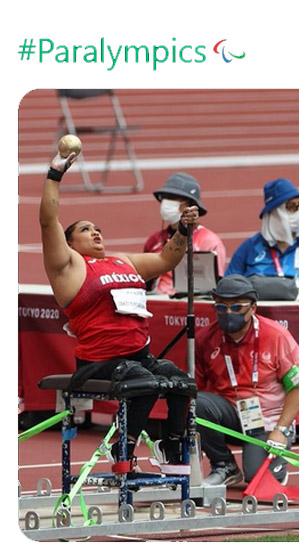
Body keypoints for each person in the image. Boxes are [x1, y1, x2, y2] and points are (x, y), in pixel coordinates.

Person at [39, 147, 198, 472]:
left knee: (180, 380)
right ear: (68, 243)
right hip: (99, 362)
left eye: (97, 228)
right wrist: (55, 173)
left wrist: (182, 230)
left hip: (138, 358)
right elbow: (47, 220)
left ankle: (170, 445)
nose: (95, 232)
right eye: (85, 229)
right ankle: (122, 446)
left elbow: (167, 259)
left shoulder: (122, 261)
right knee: (145, 382)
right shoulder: (68, 267)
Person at [195, 275, 299, 486]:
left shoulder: (276, 336)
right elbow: (196, 387)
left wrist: (281, 429)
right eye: (221, 307)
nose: (228, 313)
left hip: (268, 421)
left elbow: (297, 387)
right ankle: (224, 465)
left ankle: (273, 460)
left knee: (258, 481)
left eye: (236, 307)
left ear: (253, 308)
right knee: (196, 404)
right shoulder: (205, 338)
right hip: (231, 415)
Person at [226, 178, 299, 302]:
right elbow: (227, 287)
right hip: (256, 316)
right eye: (291, 207)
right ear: (273, 214)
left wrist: (294, 311)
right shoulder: (250, 246)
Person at [143, 173, 226, 295]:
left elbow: (214, 288)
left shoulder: (209, 241)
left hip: (191, 304)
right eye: (165, 196)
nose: (166, 202)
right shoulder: (154, 240)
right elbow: (145, 281)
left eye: (173, 197)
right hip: (155, 302)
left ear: (190, 205)